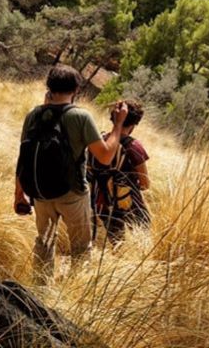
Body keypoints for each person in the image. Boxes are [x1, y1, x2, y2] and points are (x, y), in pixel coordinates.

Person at [14, 64, 126, 282]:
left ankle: (39, 294)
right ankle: (77, 295)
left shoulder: (33, 115)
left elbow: (23, 157)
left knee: (44, 244)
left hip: (40, 194)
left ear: (49, 87)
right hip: (72, 194)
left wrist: (19, 193)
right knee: (81, 248)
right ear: (76, 90)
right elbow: (104, 156)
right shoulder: (80, 117)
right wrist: (118, 125)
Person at [89, 100, 151, 244]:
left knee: (115, 240)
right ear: (134, 124)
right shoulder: (134, 147)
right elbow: (145, 183)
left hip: (101, 201)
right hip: (127, 203)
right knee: (142, 234)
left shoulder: (100, 141)